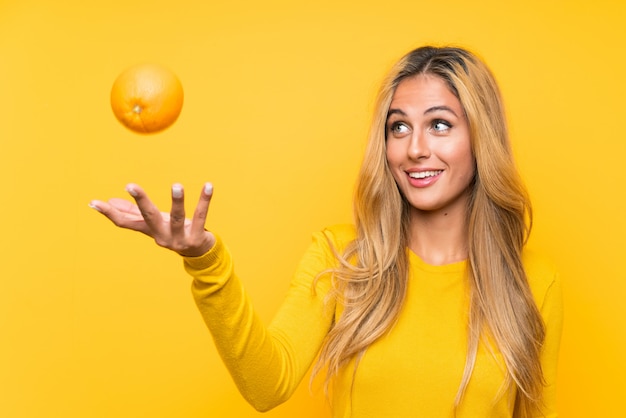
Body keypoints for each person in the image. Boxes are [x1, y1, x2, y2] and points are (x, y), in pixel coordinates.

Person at [90, 46, 563, 417]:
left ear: (481, 138)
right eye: (398, 128)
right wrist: (205, 259)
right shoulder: (342, 260)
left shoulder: (532, 282)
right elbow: (266, 384)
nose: (415, 148)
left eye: (440, 125)